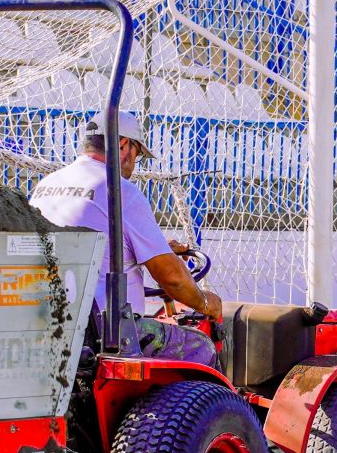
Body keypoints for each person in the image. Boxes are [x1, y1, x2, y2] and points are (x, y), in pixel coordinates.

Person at [29, 114, 222, 367]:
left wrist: (161, 249)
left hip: (51, 321)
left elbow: (102, 247)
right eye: (138, 154)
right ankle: (218, 407)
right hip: (108, 332)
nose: (134, 165)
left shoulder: (47, 185)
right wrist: (207, 303)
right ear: (123, 146)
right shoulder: (119, 190)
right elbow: (172, 278)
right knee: (200, 346)